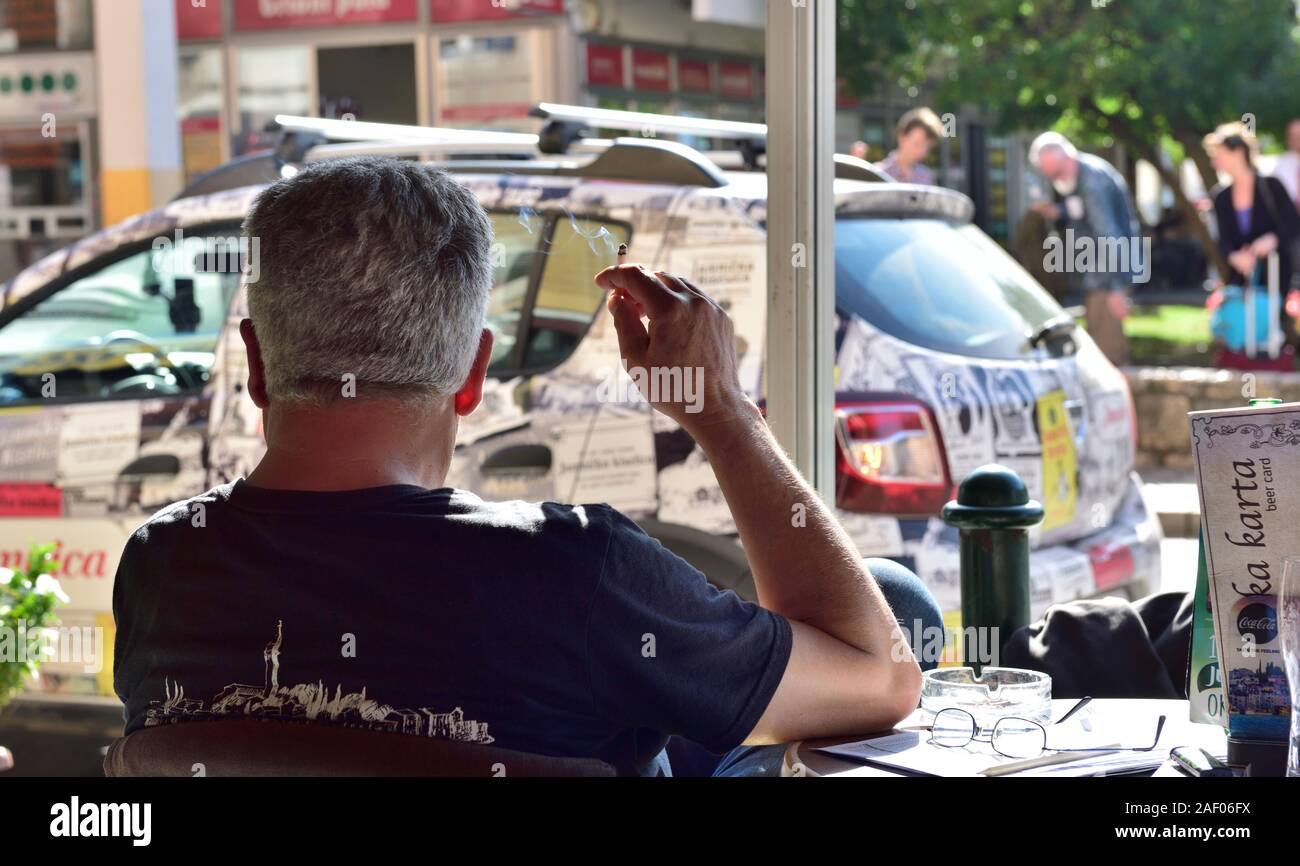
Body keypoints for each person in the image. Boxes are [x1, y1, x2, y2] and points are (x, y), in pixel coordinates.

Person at [111, 157, 933, 777]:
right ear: (473, 376)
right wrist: (719, 414)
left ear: (255, 365)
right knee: (893, 599)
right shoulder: (575, 574)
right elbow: (882, 680)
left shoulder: (161, 566)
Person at [1028, 131, 1139, 365]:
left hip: (1107, 281)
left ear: (1066, 158)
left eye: (1055, 173)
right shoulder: (1079, 178)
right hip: (1098, 277)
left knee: (1110, 357)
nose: (1053, 180)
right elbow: (1085, 215)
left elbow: (1110, 234)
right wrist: (1060, 213)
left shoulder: (1092, 183)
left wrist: (1118, 288)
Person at [1204, 122, 1300, 357]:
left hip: (1276, 271)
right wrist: (1234, 256)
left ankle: (1273, 364)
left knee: (1272, 323)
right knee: (1242, 321)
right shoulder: (1221, 196)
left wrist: (1272, 239)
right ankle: (1245, 364)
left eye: (1220, 155)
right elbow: (1222, 240)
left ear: (1239, 152)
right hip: (1241, 275)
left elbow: (1292, 223)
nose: (1215, 162)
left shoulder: (1271, 185)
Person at [875, 107, 944, 185]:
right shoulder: (878, 173)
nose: (921, 151)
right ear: (902, 138)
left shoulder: (926, 176)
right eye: (917, 144)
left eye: (927, 147)